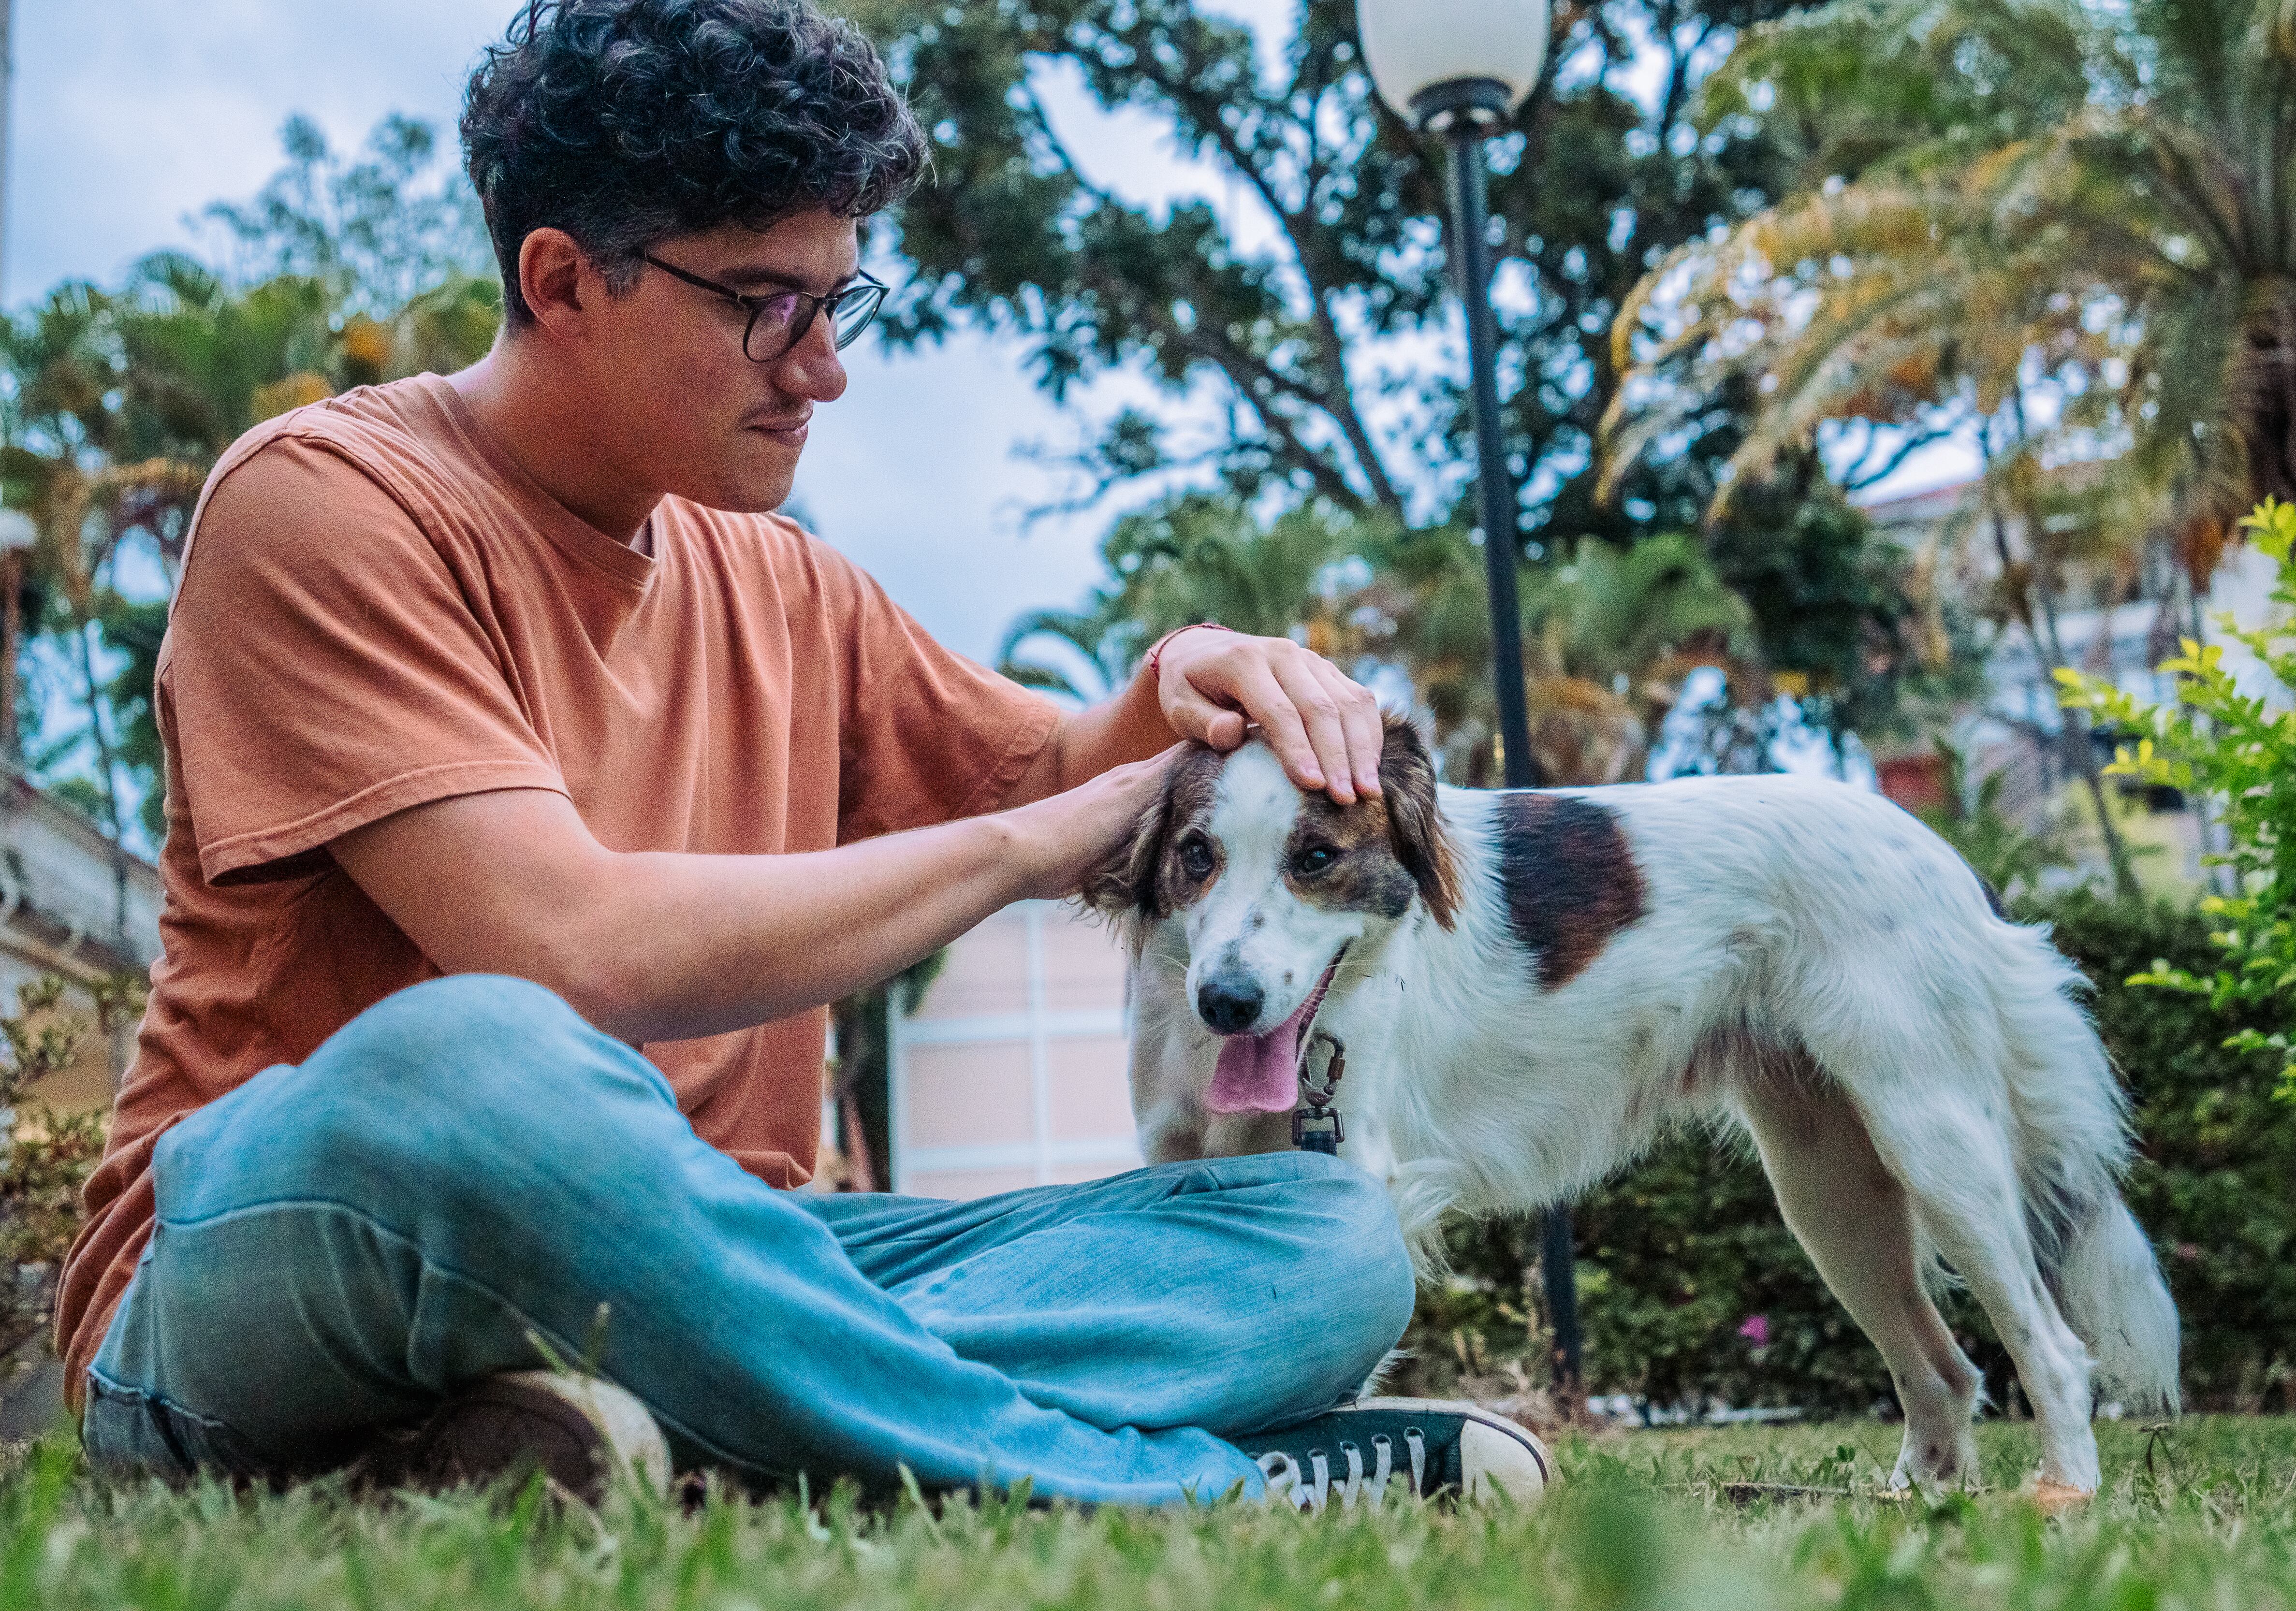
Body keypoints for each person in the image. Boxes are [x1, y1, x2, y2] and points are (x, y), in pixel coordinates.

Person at [56, 0, 1550, 1508]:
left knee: (1321, 1241)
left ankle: (619, 1438)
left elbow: (1064, 780)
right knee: (490, 1066)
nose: (825, 370)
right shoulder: (324, 504)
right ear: (564, 282)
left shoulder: (786, 585)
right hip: (289, 1254)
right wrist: (1024, 849)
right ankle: (1186, 1485)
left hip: (724, 1255)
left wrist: (1190, 679)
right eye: (769, 306)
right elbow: (571, 947)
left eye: (842, 303)